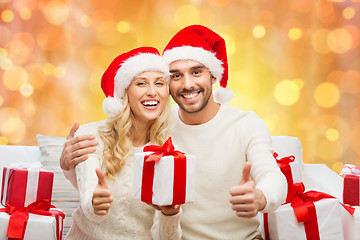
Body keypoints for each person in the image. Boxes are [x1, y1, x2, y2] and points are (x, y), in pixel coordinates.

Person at [62, 25, 287, 240]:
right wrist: (67, 165)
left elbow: (271, 175)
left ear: (213, 76)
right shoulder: (158, 128)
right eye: (176, 76)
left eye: (196, 72)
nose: (187, 84)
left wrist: (261, 197)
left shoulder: (245, 124)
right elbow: (112, 172)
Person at [63, 47, 182, 240]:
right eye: (141, 83)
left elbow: (166, 238)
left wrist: (170, 214)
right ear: (125, 92)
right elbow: (89, 195)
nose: (152, 92)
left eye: (159, 83)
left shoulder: (170, 149)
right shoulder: (91, 134)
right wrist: (95, 203)